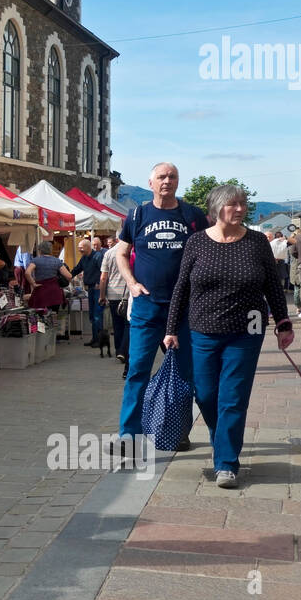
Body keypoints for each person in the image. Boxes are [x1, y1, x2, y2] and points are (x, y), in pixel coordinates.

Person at [164, 185, 294, 489]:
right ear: (216, 208)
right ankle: (222, 439)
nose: (239, 209)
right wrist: (171, 329)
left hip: (246, 331)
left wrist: (284, 322)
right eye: (232, 204)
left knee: (233, 398)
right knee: (206, 395)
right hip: (203, 330)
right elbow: (181, 288)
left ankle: (226, 463)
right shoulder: (196, 242)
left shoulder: (257, 242)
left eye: (242, 204)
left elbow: (273, 286)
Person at [114, 162, 209, 452]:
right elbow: (121, 252)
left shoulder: (192, 215)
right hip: (147, 306)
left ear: (178, 182)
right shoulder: (137, 214)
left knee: (184, 373)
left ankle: (178, 431)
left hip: (183, 309)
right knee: (137, 371)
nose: (167, 181)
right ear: (151, 182)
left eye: (172, 176)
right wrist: (130, 282)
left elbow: (208, 249)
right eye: (161, 177)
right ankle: (128, 436)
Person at [99, 239, 130, 374]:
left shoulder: (109, 253)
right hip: (128, 293)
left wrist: (102, 295)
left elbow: (103, 277)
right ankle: (124, 351)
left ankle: (119, 350)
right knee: (128, 324)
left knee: (117, 325)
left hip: (113, 294)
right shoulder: (130, 251)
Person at [73, 238, 105, 347]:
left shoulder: (98, 256)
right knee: (92, 315)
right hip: (90, 288)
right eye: (79, 248)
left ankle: (99, 340)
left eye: (81, 248)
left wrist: (99, 284)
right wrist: (67, 275)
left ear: (87, 247)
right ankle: (95, 338)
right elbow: (77, 269)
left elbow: (103, 271)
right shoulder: (84, 258)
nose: (79, 250)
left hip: (97, 288)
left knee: (97, 315)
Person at [26, 240, 72, 311]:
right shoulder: (57, 261)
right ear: (50, 250)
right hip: (55, 292)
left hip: (41, 291)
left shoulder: (36, 260)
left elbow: (27, 273)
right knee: (54, 316)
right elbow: (69, 276)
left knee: (41, 315)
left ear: (40, 250)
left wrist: (33, 284)